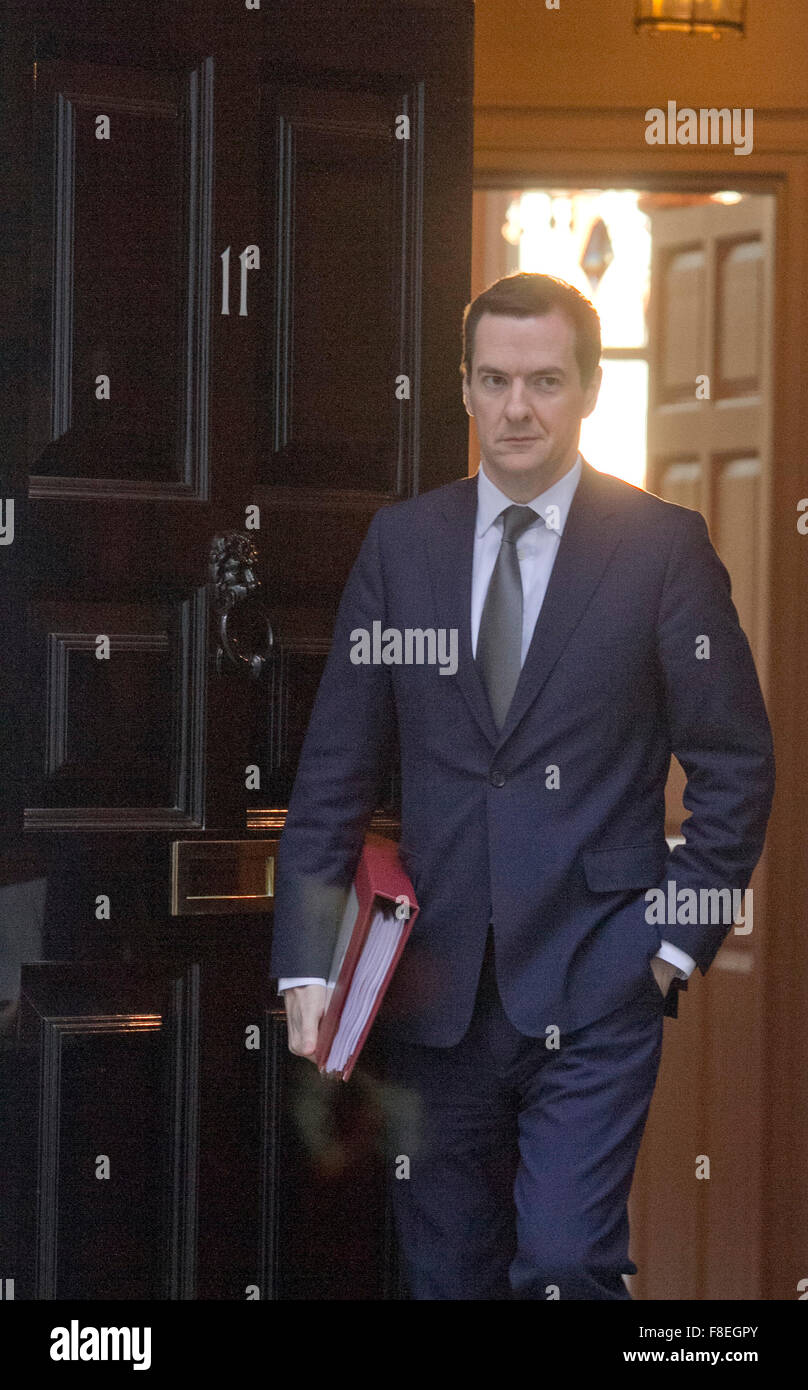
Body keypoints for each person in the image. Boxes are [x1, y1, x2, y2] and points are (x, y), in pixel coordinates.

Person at [269, 272, 775, 1300]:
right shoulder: (399, 547)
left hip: (597, 980)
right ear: (462, 388)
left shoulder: (659, 550)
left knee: (563, 1263)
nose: (517, 407)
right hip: (429, 991)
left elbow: (735, 764)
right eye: (495, 380)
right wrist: (303, 960)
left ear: (584, 388)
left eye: (544, 380)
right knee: (446, 1274)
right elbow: (335, 770)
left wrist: (670, 946)